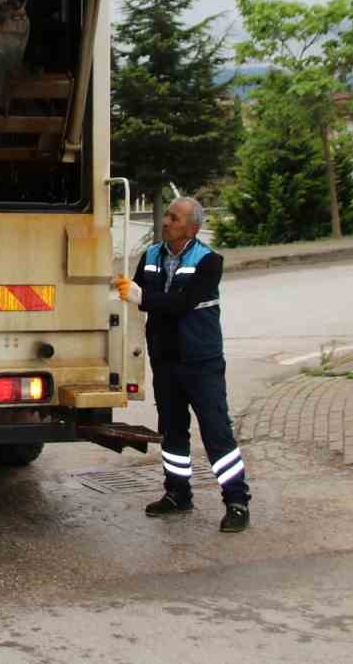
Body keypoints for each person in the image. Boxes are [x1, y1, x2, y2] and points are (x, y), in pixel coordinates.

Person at [114, 196, 250, 533]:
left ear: (192, 228)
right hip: (166, 361)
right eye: (167, 216)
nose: (166, 222)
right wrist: (130, 292)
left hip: (200, 362)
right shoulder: (150, 256)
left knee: (216, 433)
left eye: (174, 218)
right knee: (172, 432)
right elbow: (138, 293)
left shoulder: (209, 262)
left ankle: (236, 502)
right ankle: (177, 494)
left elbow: (181, 304)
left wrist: (140, 296)